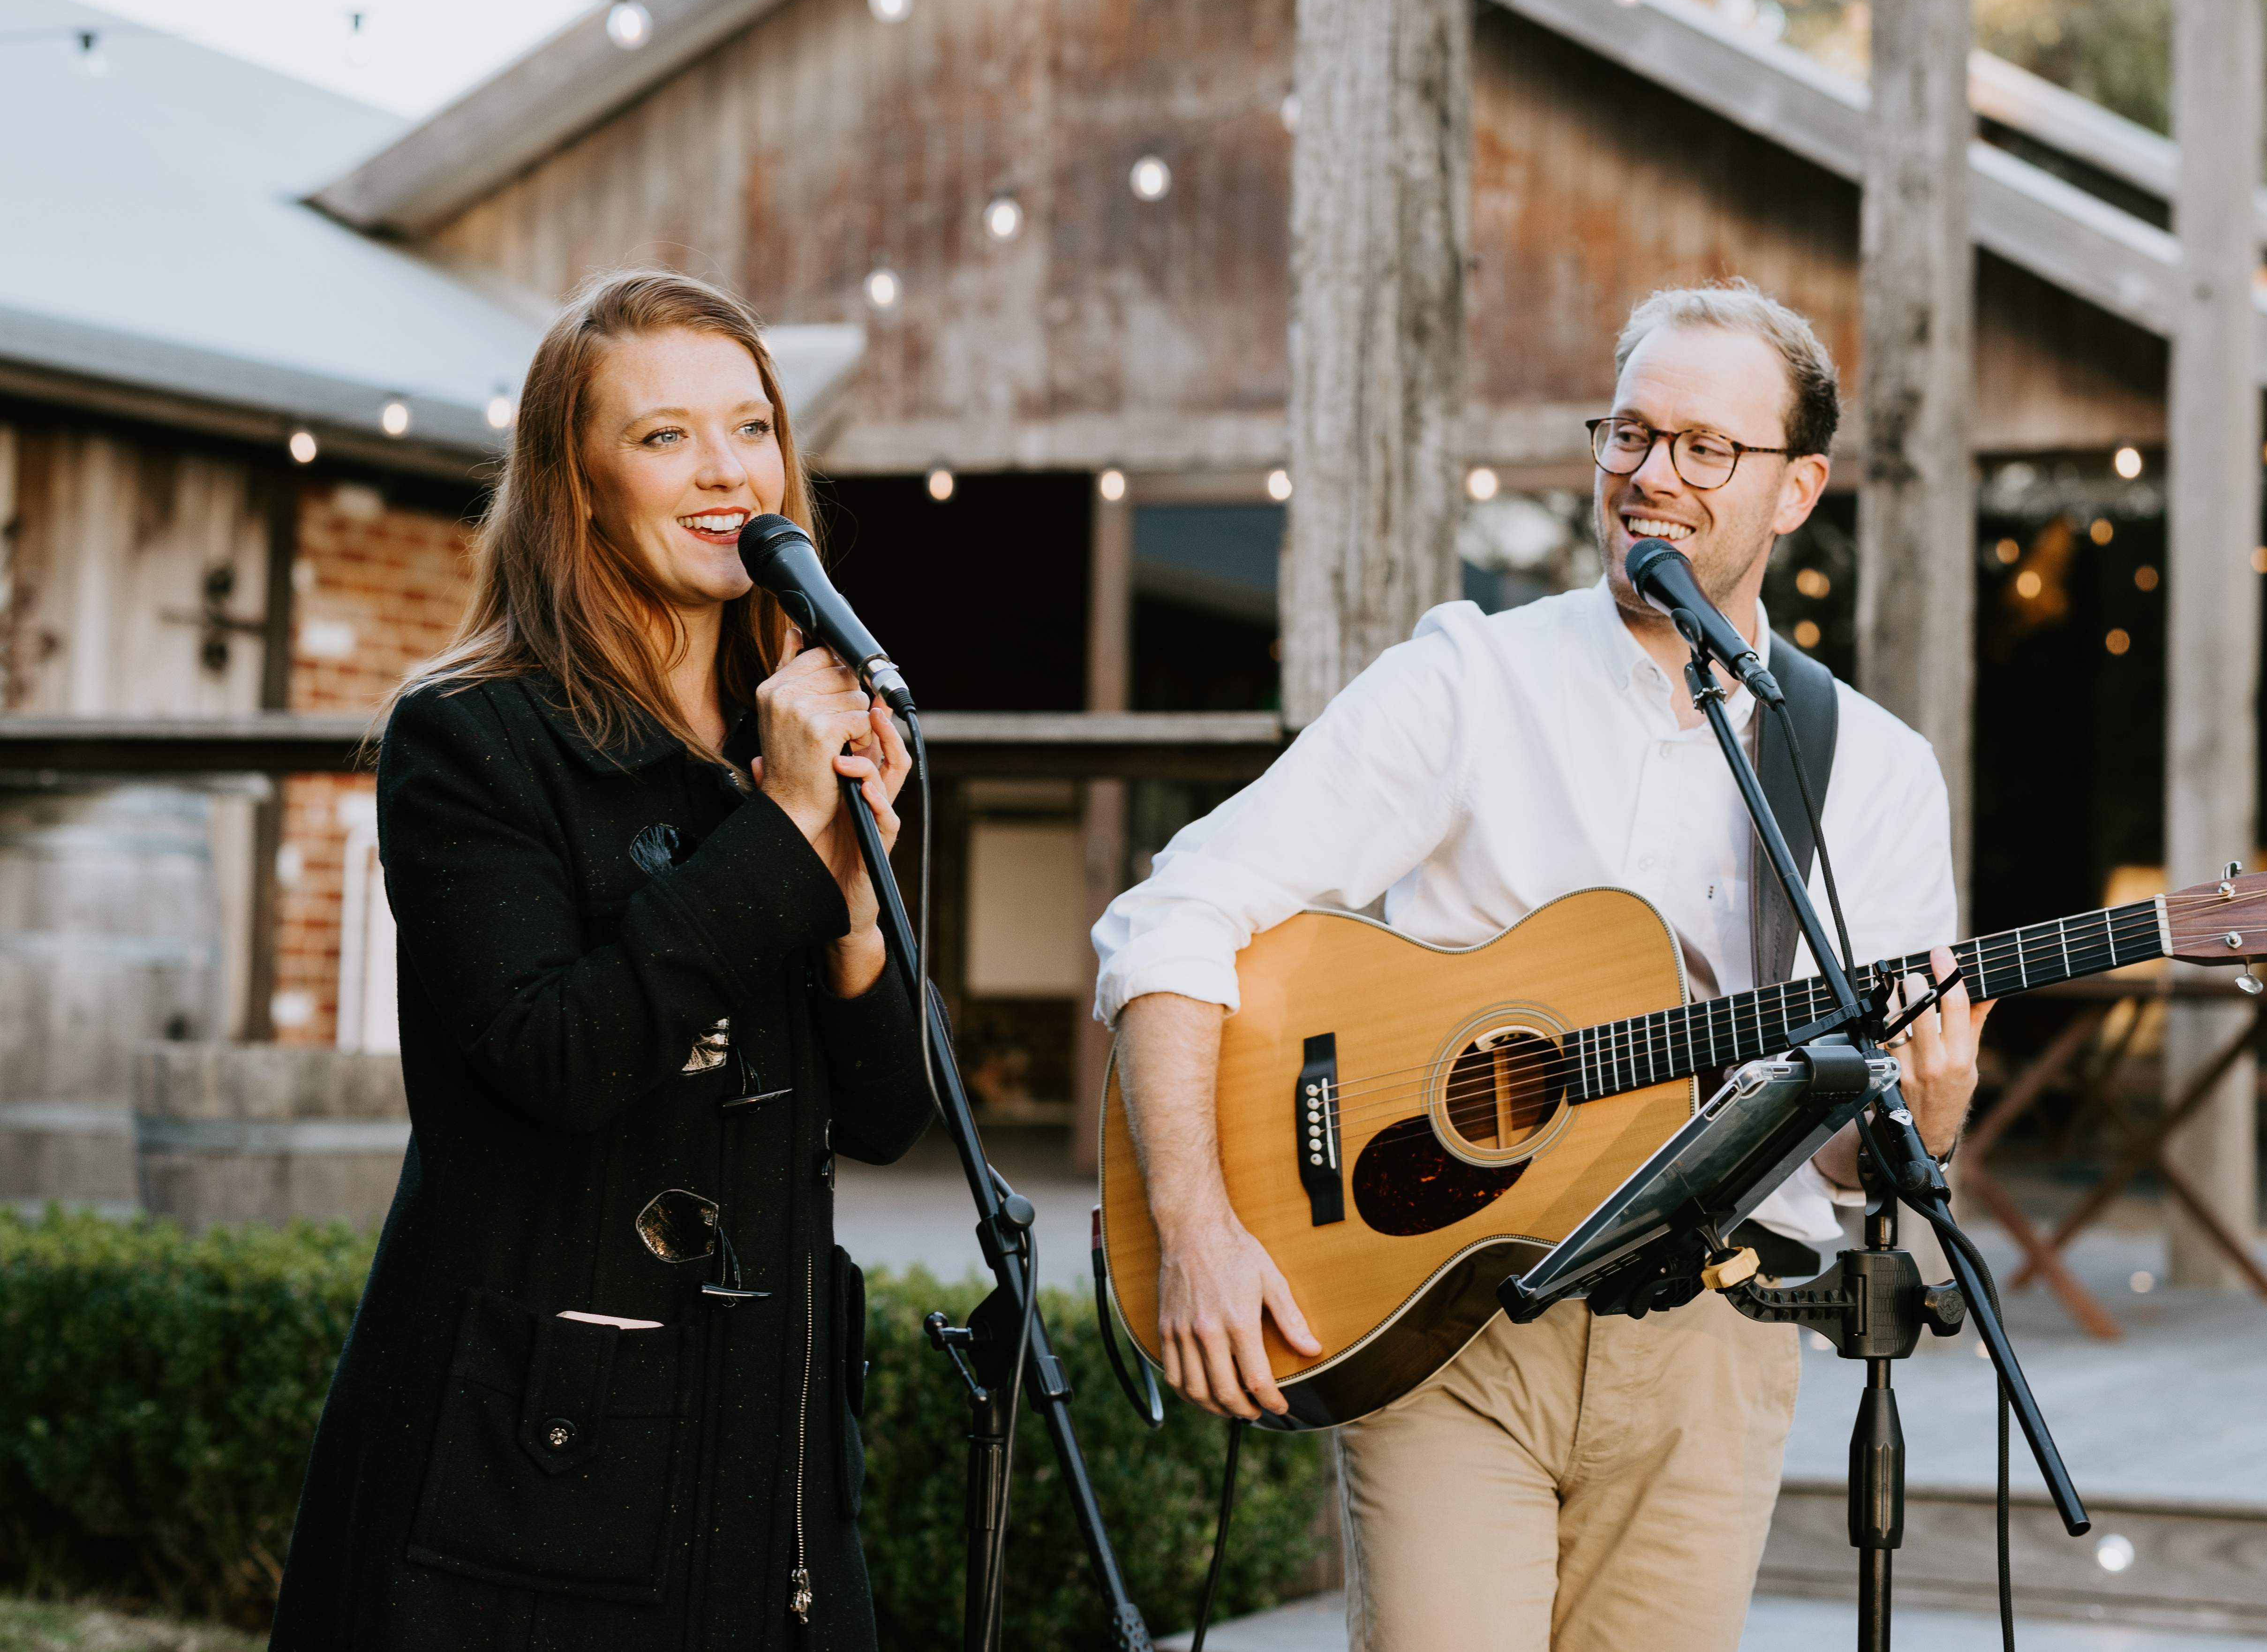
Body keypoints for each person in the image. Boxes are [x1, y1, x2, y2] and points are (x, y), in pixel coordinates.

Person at [1093, 280, 1992, 1652]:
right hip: (1456, 1323)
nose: (1652, 478)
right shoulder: (1470, 681)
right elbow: (1182, 911)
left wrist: (1923, 1115)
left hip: (1714, 1342)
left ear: (1797, 489)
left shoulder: (1870, 769)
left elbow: (1852, 1163)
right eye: (1629, 435)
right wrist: (1200, 1221)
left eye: (1707, 449)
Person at [270, 269, 935, 1652]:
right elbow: (556, 1057)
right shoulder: (473, 738)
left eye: (751, 429)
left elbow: (885, 1118)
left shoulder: (783, 740)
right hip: (538, 1453)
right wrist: (777, 837)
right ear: (575, 487)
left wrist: (855, 896)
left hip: (775, 1460)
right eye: (664, 436)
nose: (725, 473)